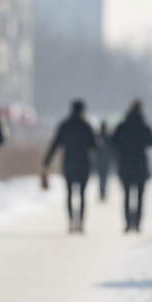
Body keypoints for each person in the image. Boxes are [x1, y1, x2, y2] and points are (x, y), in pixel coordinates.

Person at [42, 100, 98, 233]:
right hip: (84, 164)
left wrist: (46, 161)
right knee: (83, 194)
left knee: (69, 194)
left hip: (69, 163)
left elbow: (55, 144)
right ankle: (81, 224)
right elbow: (95, 146)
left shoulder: (65, 125)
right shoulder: (87, 125)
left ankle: (71, 222)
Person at [112, 100, 152, 232]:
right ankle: (137, 224)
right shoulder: (144, 126)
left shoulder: (122, 126)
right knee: (140, 197)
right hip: (140, 166)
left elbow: (114, 143)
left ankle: (127, 224)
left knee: (126, 195)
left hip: (125, 165)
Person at [96, 122, 113, 201]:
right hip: (106, 161)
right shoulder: (108, 137)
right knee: (104, 177)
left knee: (101, 178)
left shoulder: (97, 137)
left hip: (99, 161)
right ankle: (103, 192)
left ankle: (102, 192)